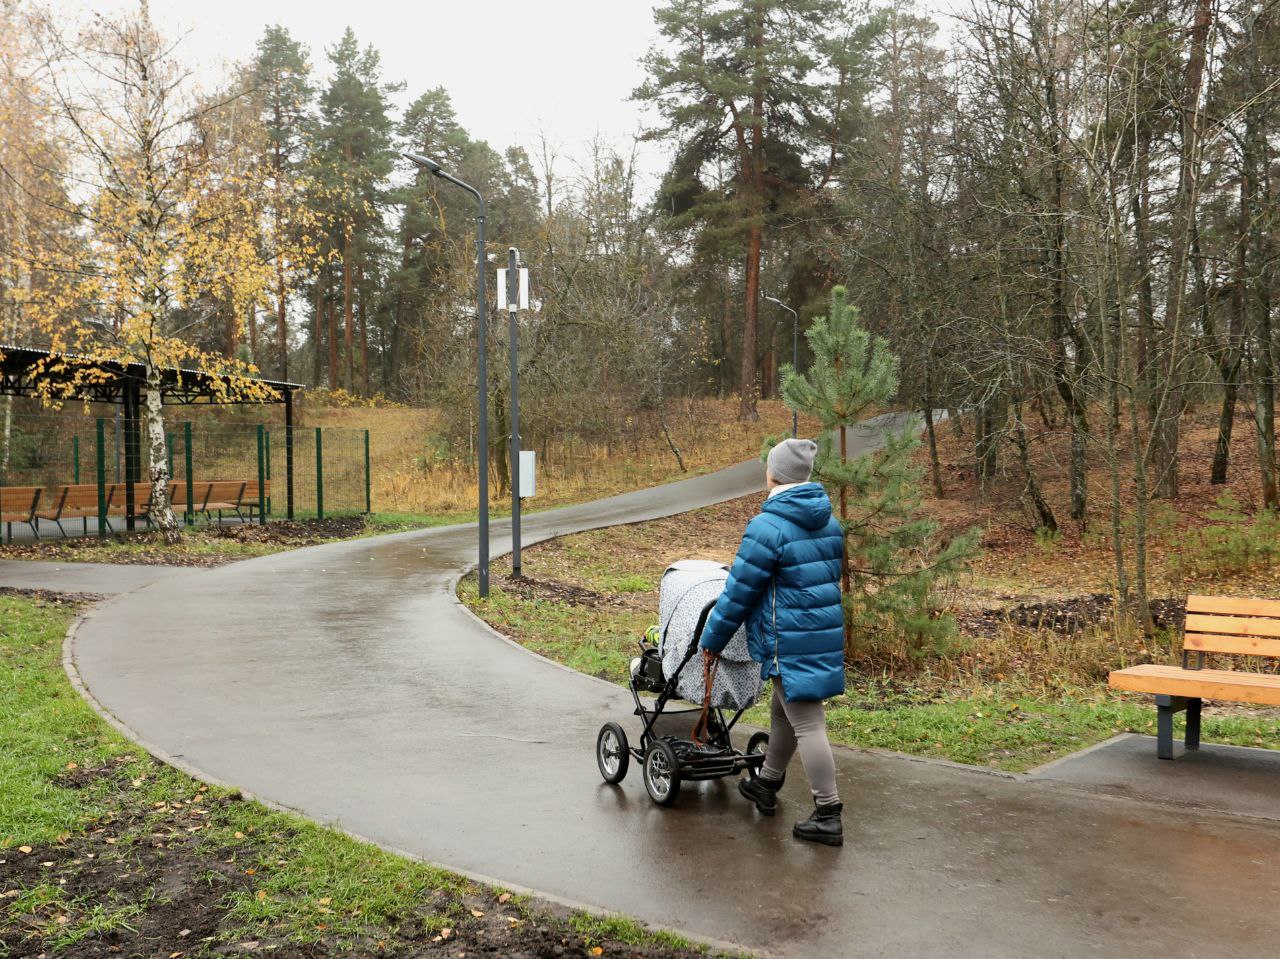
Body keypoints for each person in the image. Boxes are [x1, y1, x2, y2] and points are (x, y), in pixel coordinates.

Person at [698, 437, 846, 846]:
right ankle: (767, 782)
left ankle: (828, 812)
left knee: (808, 723)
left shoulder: (768, 527)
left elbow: (739, 592)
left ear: (773, 474)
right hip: (818, 635)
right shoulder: (829, 522)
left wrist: (712, 638)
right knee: (785, 715)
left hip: (789, 640)